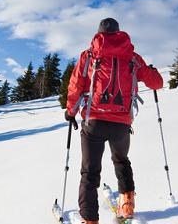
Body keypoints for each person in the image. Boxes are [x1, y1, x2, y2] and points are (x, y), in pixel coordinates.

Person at [65, 18, 163, 224]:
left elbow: (76, 85)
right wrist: (152, 72)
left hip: (94, 122)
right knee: (121, 160)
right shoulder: (132, 57)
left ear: (99, 34)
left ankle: (90, 219)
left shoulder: (89, 56)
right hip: (122, 124)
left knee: (90, 173)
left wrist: (70, 112)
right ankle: (127, 205)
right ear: (120, 33)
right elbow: (157, 83)